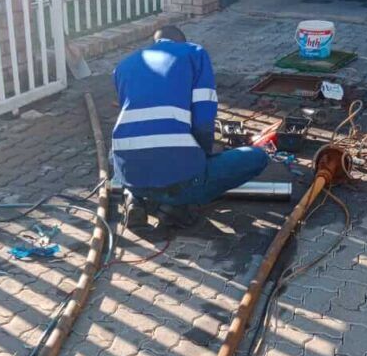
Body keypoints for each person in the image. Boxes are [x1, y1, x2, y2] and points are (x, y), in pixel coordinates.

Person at [111, 25, 268, 227]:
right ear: (181, 41)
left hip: (130, 175)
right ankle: (176, 206)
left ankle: (134, 198)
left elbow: (135, 122)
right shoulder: (194, 53)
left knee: (122, 148)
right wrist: (205, 154)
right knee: (258, 157)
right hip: (180, 182)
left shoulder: (124, 65)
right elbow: (203, 122)